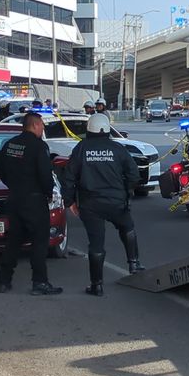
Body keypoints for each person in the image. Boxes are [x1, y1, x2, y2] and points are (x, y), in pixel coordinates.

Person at [63, 113, 143, 296]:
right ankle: (134, 264)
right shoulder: (118, 148)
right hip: (116, 201)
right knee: (127, 227)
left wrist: (70, 202)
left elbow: (68, 178)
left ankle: (96, 285)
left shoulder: (81, 148)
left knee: (96, 243)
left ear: (89, 129)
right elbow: (134, 175)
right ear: (107, 129)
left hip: (90, 204)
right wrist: (126, 192)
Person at [0, 112, 61, 295]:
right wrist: (48, 193)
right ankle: (39, 282)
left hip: (14, 199)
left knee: (13, 241)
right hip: (34, 201)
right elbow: (45, 174)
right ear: (35, 125)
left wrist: (12, 185)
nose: (43, 128)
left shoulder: (10, 144)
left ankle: (4, 281)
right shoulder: (39, 146)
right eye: (42, 125)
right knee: (39, 242)